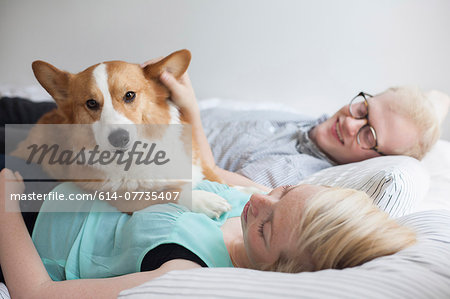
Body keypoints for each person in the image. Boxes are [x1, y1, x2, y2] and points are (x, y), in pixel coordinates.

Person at [0, 168, 416, 298]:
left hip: (23, 232)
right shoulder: (262, 207)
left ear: (280, 274)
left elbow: (35, 293)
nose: (260, 203)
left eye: (266, 230)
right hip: (64, 187)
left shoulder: (185, 273)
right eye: (284, 190)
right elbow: (219, 176)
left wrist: (8, 205)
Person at [154, 68, 447, 188]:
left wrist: (189, 107)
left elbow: (214, 185)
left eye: (368, 134)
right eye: (363, 109)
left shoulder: (295, 171)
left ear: (378, 161)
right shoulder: (316, 123)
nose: (349, 122)